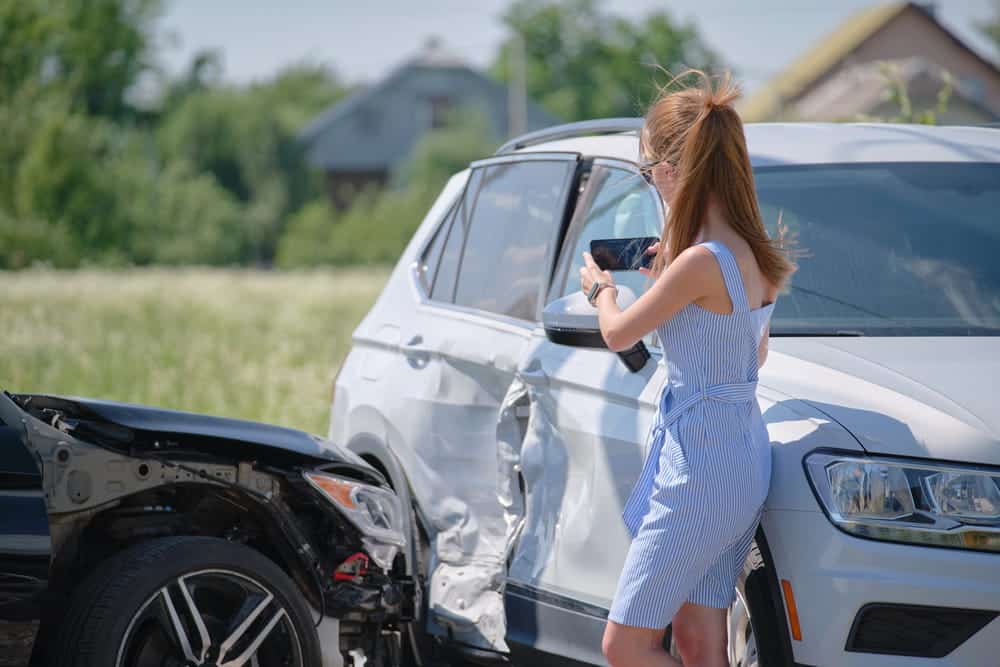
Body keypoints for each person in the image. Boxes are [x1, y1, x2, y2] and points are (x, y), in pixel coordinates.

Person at [579, 70, 795, 667]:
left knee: (624, 646)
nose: (651, 184)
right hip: (740, 457)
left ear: (675, 170)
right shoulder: (754, 252)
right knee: (702, 644)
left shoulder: (700, 260)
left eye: (648, 172)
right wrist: (673, 289)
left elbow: (620, 332)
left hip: (699, 467)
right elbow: (750, 355)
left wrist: (601, 289)